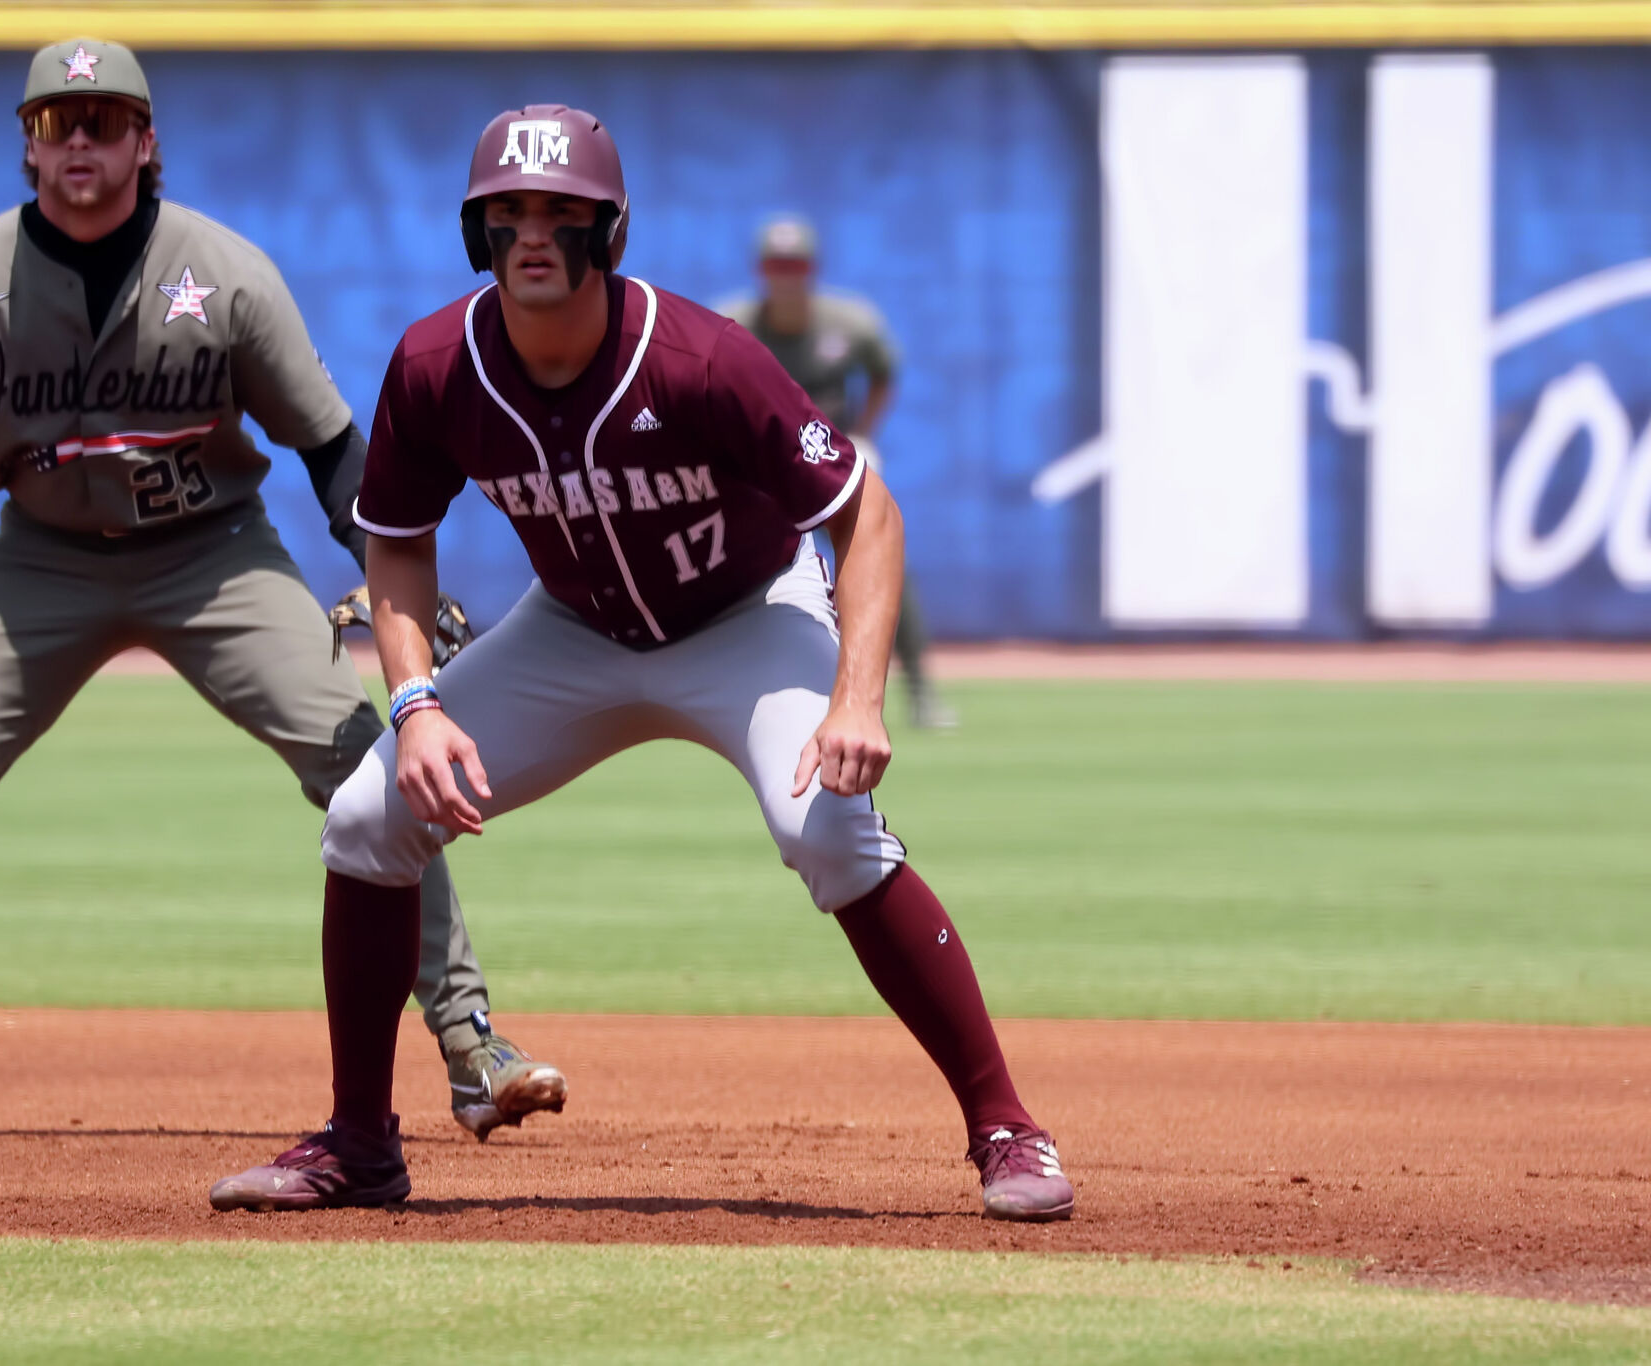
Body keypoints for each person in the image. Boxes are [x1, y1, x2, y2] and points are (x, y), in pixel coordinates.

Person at [208, 105, 1072, 1221]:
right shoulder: (435, 363)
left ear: (608, 231)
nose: (529, 234)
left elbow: (865, 514)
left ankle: (1005, 1124)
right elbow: (396, 541)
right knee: (369, 815)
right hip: (573, 629)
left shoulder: (700, 357)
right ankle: (361, 1145)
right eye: (506, 213)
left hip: (746, 618)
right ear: (476, 233)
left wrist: (856, 697)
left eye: (558, 213)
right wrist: (415, 703)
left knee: (826, 830)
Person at [0, 40, 564, 1145]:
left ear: (146, 141)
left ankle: (471, 1045)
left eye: (102, 117)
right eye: (56, 120)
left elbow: (330, 449)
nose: (77, 138)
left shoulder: (223, 273)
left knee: (361, 763)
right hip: (40, 558)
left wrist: (393, 586)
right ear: (28, 145)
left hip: (212, 551)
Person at [718, 218, 954, 729]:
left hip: (829, 459)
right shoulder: (735, 325)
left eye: (796, 265)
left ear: (811, 269)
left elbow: (883, 372)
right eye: (777, 266)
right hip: (760, 471)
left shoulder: (846, 323)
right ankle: (733, 691)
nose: (786, 277)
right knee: (730, 568)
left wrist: (863, 431)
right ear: (762, 271)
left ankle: (919, 690)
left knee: (877, 560)